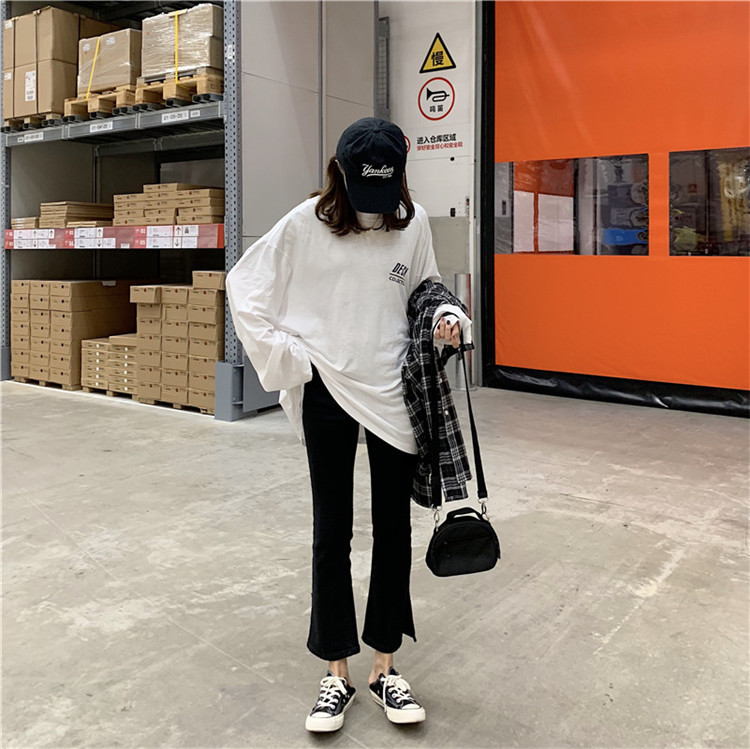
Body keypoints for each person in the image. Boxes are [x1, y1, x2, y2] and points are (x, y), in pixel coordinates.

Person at [226, 117, 469, 733]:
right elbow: (244, 285)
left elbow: (426, 287)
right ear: (338, 174)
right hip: (327, 389)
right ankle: (336, 671)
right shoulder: (304, 224)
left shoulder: (411, 224)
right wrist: (291, 358)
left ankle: (385, 665)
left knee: (393, 530)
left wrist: (445, 316)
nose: (374, 206)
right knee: (331, 530)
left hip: (393, 390)